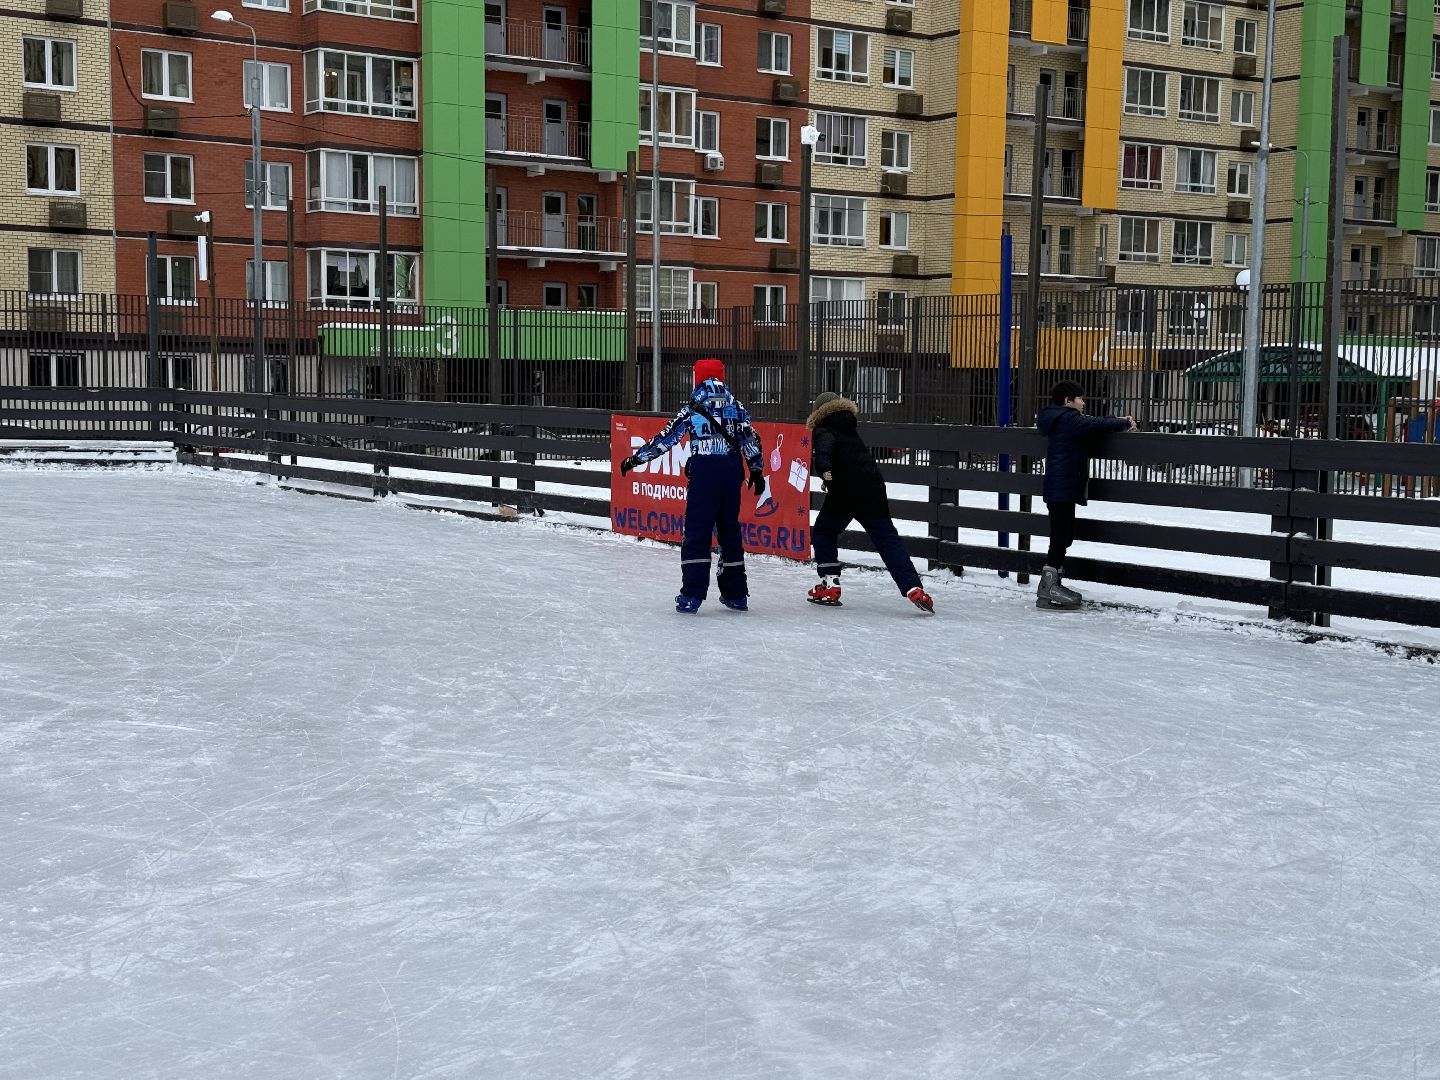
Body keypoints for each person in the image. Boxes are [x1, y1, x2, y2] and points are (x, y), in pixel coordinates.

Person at [620, 358, 765, 613]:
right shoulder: (737, 406)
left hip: (705, 472)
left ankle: (692, 595)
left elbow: (667, 437)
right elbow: (750, 439)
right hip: (732, 471)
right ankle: (736, 594)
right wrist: (756, 470)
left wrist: (636, 459)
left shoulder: (694, 407)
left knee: (698, 530)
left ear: (698, 378)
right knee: (729, 530)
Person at [805, 391, 934, 613]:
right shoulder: (849, 426)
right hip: (873, 490)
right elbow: (850, 458)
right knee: (887, 539)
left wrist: (824, 468)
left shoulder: (824, 428)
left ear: (819, 412)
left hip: (846, 493)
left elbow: (825, 448)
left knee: (824, 531)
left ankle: (830, 583)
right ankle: (914, 588)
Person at [1034, 380, 1135, 611]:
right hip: (1062, 488)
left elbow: (1091, 424)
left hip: (1060, 487)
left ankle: (1052, 584)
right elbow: (1095, 423)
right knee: (1060, 536)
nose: (1083, 402)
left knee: (1063, 535)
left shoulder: (1059, 419)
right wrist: (1124, 422)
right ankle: (1048, 587)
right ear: (1067, 401)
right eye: (1080, 398)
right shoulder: (1068, 419)